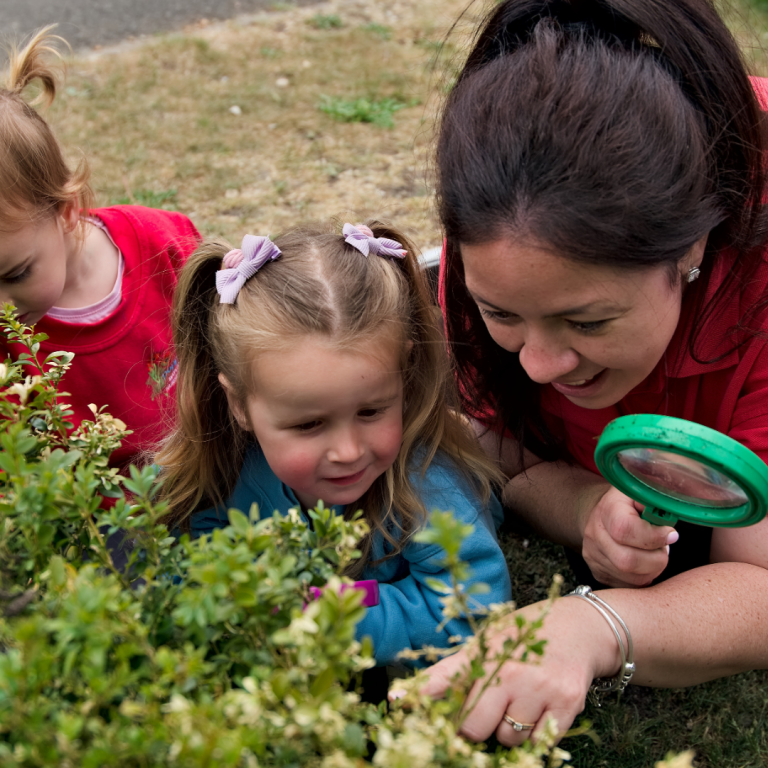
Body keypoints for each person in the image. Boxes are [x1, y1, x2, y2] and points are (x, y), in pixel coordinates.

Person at [417, 0, 768, 747]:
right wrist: (583, 508)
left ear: (693, 247)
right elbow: (495, 443)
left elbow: (761, 583)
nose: (538, 364)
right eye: (501, 314)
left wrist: (594, 624)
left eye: (588, 322)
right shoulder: (501, 234)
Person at [154, 221, 512, 666]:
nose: (347, 450)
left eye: (370, 412)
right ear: (239, 405)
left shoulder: (430, 489)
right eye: (308, 425)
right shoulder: (228, 472)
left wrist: (327, 615)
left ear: (405, 371)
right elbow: (190, 551)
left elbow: (473, 612)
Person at [0, 28, 200, 470]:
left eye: (15, 275)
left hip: (210, 476)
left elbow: (236, 352)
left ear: (66, 211)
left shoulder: (163, 243)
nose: (3, 311)